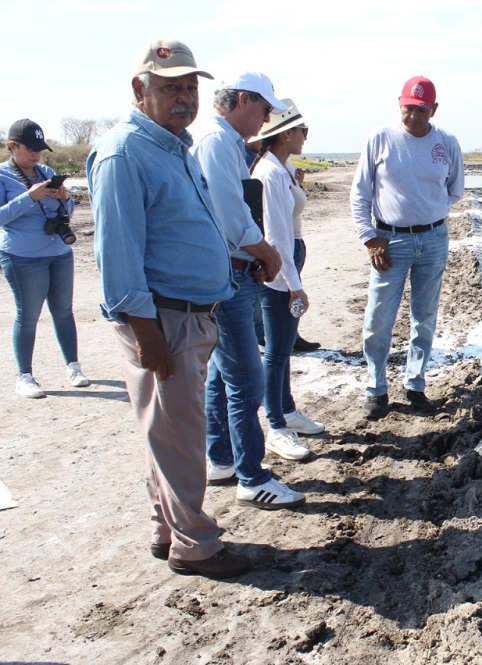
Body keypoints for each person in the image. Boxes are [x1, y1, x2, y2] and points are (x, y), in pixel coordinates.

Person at [87, 38, 250, 579]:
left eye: (189, 87)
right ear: (140, 90)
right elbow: (118, 253)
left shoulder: (174, 146)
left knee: (168, 431)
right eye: (169, 87)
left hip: (190, 314)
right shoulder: (123, 153)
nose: (183, 98)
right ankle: (196, 546)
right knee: (181, 436)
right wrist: (146, 331)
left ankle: (167, 528)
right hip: (163, 319)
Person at [191, 72, 308, 509]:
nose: (265, 117)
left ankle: (221, 457)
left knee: (223, 373)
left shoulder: (222, 142)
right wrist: (267, 253)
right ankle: (252, 477)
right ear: (243, 100)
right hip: (228, 275)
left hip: (231, 270)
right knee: (246, 378)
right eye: (263, 108)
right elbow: (230, 215)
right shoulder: (218, 142)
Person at [350, 76, 464, 420]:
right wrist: (370, 237)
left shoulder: (446, 143)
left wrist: (430, 211)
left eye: (421, 109)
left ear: (434, 110)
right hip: (389, 242)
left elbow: (455, 190)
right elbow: (360, 193)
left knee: (425, 316)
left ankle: (415, 384)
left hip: (433, 240)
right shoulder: (380, 138)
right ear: (399, 104)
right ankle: (376, 388)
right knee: (379, 317)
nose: (413, 116)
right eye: (408, 108)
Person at [249, 99, 325, 445]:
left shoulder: (280, 169)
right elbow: (275, 235)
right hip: (280, 260)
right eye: (301, 130)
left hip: (288, 254)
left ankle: (287, 410)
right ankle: (276, 424)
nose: (305, 136)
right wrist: (294, 285)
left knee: (282, 347)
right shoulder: (270, 173)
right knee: (277, 348)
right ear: (285, 134)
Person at [0, 119, 90, 398]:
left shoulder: (46, 172)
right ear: (12, 146)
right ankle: (24, 376)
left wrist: (65, 198)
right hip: (23, 257)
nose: (36, 154)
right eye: (30, 148)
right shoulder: (3, 176)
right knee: (28, 316)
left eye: (40, 148)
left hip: (59, 252)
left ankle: (73, 367)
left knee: (64, 310)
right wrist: (29, 197)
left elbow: (68, 211)